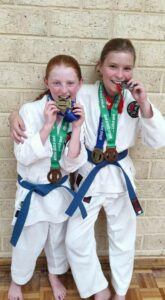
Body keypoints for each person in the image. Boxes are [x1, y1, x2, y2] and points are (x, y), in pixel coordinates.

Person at [9, 39, 165, 300]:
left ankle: (121, 292)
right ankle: (98, 288)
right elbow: (53, 97)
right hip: (89, 175)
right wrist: (14, 116)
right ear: (99, 67)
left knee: (123, 238)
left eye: (127, 68)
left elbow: (157, 140)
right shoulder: (85, 93)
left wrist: (146, 104)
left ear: (133, 71)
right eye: (113, 66)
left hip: (120, 176)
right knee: (75, 239)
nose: (120, 74)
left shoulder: (134, 100)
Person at [8, 54, 87, 300]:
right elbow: (23, 156)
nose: (63, 90)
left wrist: (76, 128)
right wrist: (46, 127)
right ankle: (17, 281)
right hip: (33, 193)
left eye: (70, 83)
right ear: (46, 82)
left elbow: (72, 162)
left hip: (59, 192)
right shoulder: (30, 111)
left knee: (57, 239)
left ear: (80, 84)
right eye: (56, 83)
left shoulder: (76, 114)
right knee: (27, 242)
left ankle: (54, 275)